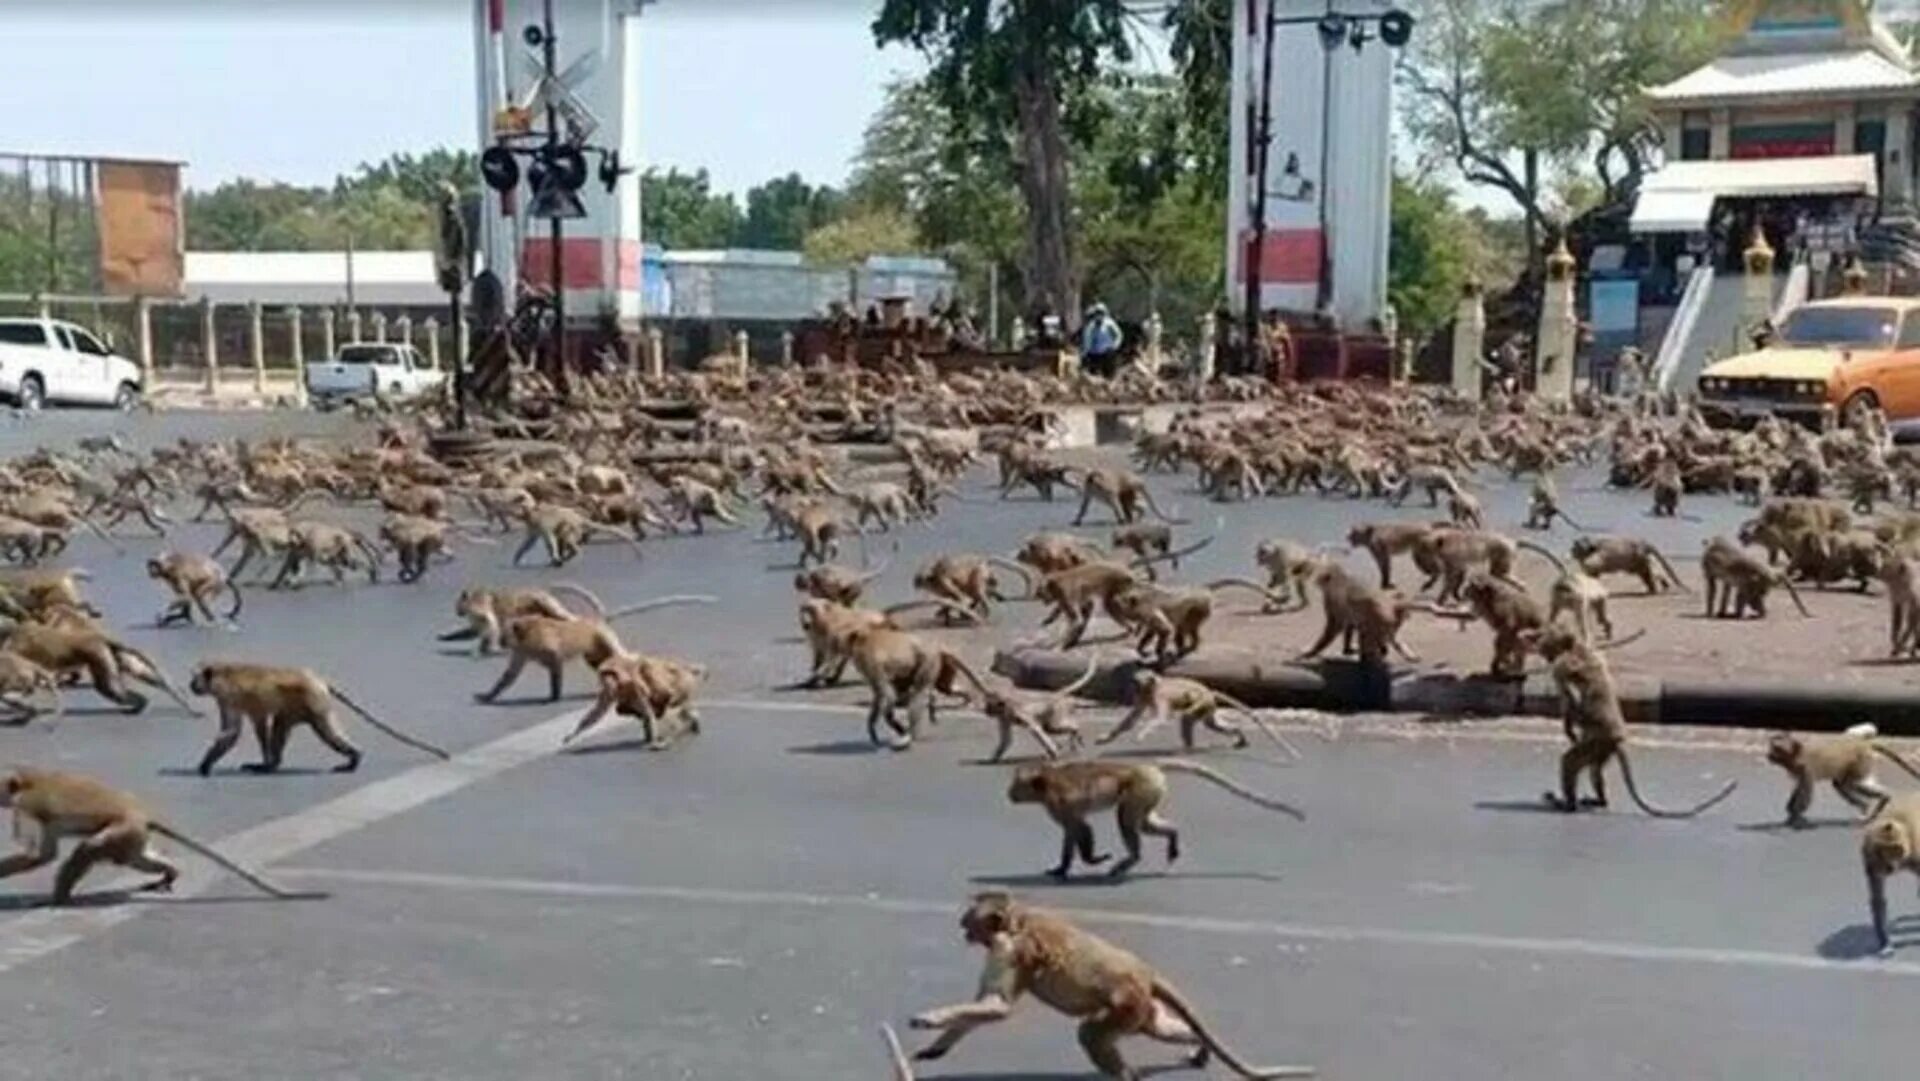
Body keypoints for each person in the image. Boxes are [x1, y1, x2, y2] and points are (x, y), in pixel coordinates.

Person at [1079, 303, 1123, 378]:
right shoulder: (1090, 326)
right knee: (1092, 375)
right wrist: (1084, 354)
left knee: (1109, 375)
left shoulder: (1109, 324)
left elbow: (1118, 335)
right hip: (1094, 355)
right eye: (1097, 314)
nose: (1099, 316)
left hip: (1107, 354)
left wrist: (1114, 346)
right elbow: (1087, 341)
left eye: (1101, 314)